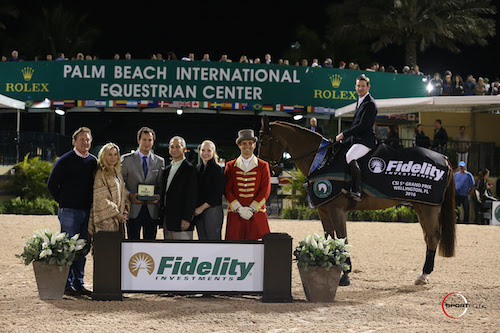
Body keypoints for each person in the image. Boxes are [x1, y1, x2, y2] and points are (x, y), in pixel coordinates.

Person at [47, 127, 97, 296]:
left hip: (86, 211)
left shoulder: (93, 162)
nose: (85, 142)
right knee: (67, 248)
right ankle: (66, 284)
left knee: (82, 248)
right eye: (82, 139)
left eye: (88, 140)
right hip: (69, 211)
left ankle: (79, 282)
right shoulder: (65, 160)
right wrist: (62, 200)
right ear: (75, 141)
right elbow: (51, 184)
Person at [335, 75, 378, 201]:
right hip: (358, 139)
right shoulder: (360, 102)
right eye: (358, 86)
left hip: (366, 140)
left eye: (363, 86)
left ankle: (357, 190)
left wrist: (344, 134)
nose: (360, 88)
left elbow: (362, 126)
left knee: (350, 156)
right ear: (355, 87)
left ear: (368, 87)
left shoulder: (370, 103)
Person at [225, 129, 271, 240]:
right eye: (244, 143)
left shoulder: (263, 165)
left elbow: (265, 189)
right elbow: (227, 190)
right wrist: (239, 209)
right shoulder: (230, 166)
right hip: (236, 214)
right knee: (234, 247)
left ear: (254, 145)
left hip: (256, 213)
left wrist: (252, 208)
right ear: (239, 145)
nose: (248, 146)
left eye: (250, 143)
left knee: (260, 248)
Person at [121, 127, 165, 240]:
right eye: (144, 140)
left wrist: (158, 196)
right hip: (133, 208)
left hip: (152, 209)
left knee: (150, 243)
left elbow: (161, 184)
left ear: (153, 142)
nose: (147, 143)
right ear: (138, 140)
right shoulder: (126, 160)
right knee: (132, 241)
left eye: (149, 140)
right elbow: (121, 183)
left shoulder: (160, 161)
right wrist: (129, 195)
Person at [88, 143, 130, 239]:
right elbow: (101, 199)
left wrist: (125, 210)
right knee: (106, 250)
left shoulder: (117, 173)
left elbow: (123, 193)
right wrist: (117, 214)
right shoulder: (101, 174)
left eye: (115, 154)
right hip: (105, 222)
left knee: (117, 251)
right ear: (104, 156)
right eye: (110, 154)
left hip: (118, 222)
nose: (113, 157)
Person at [161, 136, 198, 240]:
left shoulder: (190, 170)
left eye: (178, 146)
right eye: (172, 147)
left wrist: (187, 218)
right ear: (169, 149)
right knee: (169, 252)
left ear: (184, 149)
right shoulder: (167, 169)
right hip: (168, 220)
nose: (174, 149)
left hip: (182, 221)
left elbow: (192, 196)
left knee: (183, 253)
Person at [194, 140, 225, 240]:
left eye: (208, 150)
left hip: (212, 210)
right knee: (202, 240)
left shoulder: (217, 169)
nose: (205, 153)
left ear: (213, 152)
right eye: (203, 150)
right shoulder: (198, 168)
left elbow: (217, 194)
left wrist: (201, 208)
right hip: (199, 212)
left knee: (213, 241)